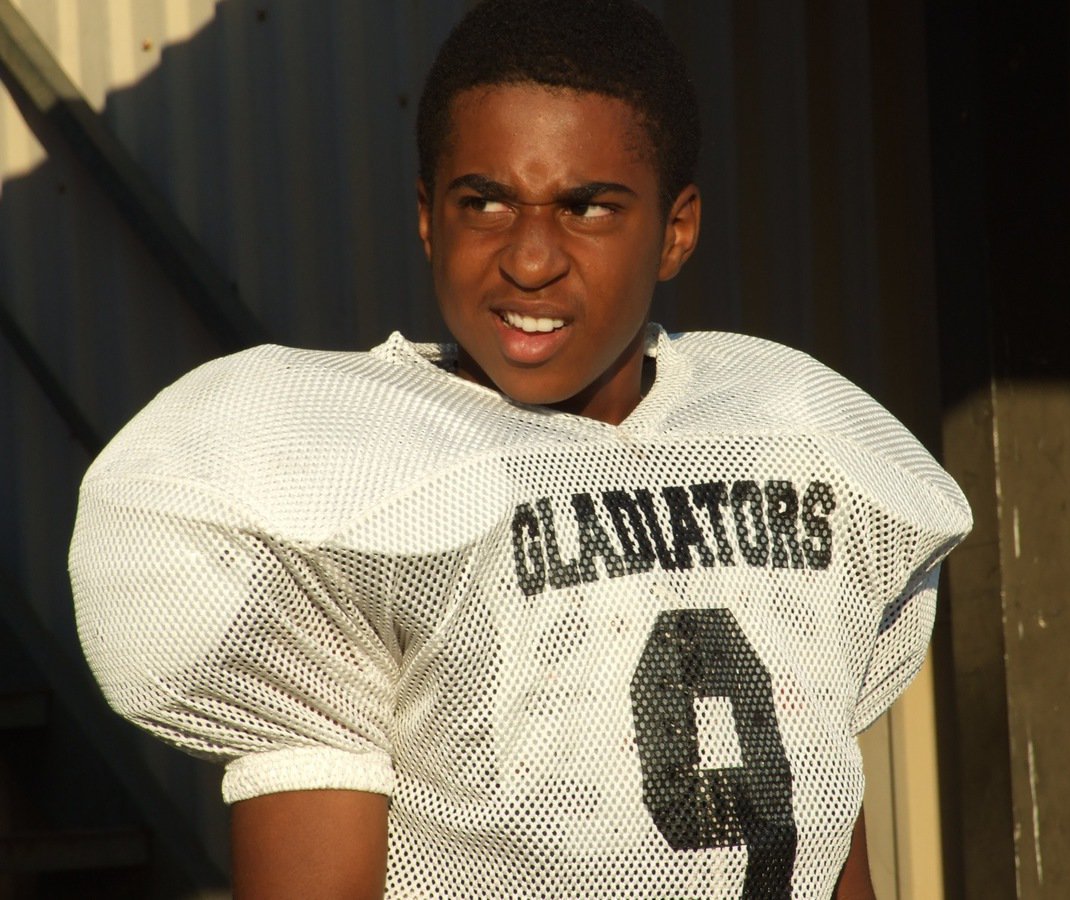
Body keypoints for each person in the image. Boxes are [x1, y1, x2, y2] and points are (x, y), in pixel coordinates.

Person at [69, 0, 971, 897]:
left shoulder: (788, 437)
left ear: (677, 230)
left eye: (588, 207)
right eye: (486, 201)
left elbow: (822, 836)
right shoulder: (354, 483)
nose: (530, 258)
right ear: (429, 217)